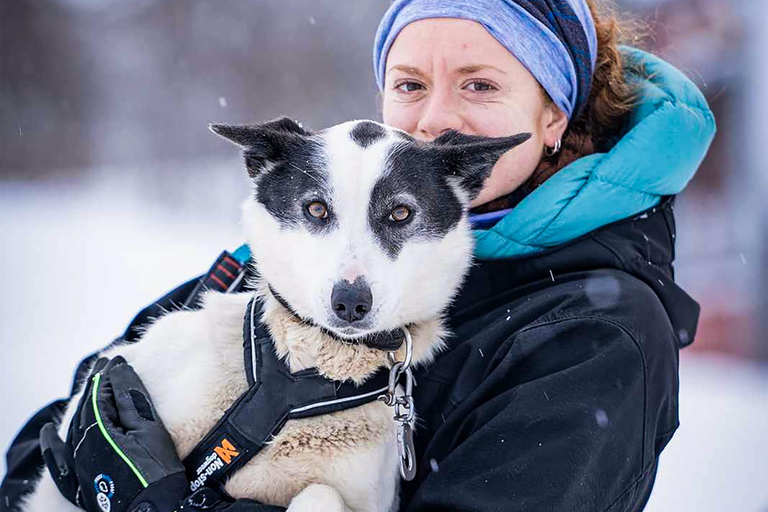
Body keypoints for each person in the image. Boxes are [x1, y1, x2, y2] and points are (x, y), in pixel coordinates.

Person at [1, 0, 716, 510]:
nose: (435, 118)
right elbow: (45, 444)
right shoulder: (291, 262)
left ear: (553, 116)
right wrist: (80, 468)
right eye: (410, 84)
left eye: (480, 84)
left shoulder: (597, 330)